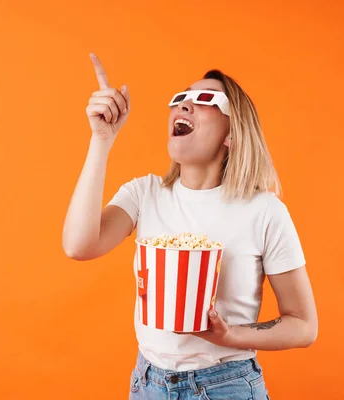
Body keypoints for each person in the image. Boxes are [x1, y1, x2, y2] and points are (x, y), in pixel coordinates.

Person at [62, 53, 318, 400]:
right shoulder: (144, 194)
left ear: (233, 133)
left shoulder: (265, 211)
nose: (184, 105)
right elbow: (78, 246)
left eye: (205, 100)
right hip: (148, 382)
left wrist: (230, 335)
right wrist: (101, 139)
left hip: (226, 385)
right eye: (180, 99)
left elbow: (303, 325)